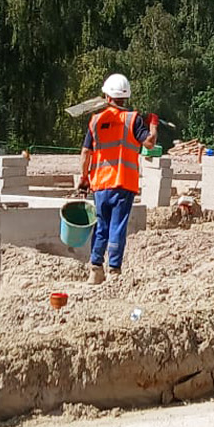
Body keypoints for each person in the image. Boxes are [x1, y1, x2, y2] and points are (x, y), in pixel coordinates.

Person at [77, 73, 157, 284]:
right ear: (126, 96)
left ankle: (95, 268)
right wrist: (154, 125)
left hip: (101, 184)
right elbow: (149, 143)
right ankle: (114, 270)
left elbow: (85, 153)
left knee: (101, 226)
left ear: (106, 95)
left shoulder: (96, 120)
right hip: (124, 183)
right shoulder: (133, 119)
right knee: (117, 227)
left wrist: (84, 178)